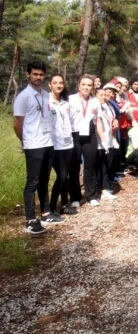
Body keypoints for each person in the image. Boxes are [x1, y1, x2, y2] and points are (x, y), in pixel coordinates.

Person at [13, 61, 54, 234]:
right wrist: (26, 142)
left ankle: (46, 213)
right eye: (35, 74)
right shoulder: (23, 96)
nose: (38, 77)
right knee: (33, 182)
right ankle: (30, 219)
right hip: (33, 145)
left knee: (44, 179)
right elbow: (17, 124)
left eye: (41, 74)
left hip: (47, 143)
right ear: (28, 75)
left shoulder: (46, 95)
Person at [68, 74, 101, 211]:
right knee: (74, 167)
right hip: (74, 135)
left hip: (90, 135)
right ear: (78, 86)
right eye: (84, 84)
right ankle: (75, 197)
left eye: (89, 85)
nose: (86, 87)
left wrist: (102, 140)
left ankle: (91, 195)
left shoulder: (95, 101)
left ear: (93, 87)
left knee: (90, 165)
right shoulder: (70, 99)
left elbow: (97, 121)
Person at [47, 74, 72, 222]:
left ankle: (64, 204)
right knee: (62, 176)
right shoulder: (47, 102)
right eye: (55, 83)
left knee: (65, 176)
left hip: (67, 144)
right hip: (53, 145)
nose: (58, 85)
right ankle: (51, 208)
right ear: (49, 85)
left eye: (61, 83)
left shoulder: (65, 103)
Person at [96, 85, 119, 205]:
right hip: (99, 140)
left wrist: (115, 121)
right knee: (99, 165)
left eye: (105, 95)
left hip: (109, 138)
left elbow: (113, 118)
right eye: (101, 95)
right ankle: (97, 188)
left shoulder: (108, 106)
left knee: (106, 164)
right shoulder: (95, 106)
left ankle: (105, 188)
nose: (104, 97)